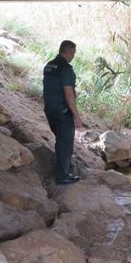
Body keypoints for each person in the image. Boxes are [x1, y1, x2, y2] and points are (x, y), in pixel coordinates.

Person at [43, 40, 84, 184]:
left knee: (60, 141)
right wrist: (76, 116)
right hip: (62, 111)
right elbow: (68, 93)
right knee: (65, 144)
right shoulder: (66, 69)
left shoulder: (49, 65)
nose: (73, 56)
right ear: (70, 51)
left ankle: (64, 170)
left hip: (49, 110)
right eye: (74, 53)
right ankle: (62, 176)